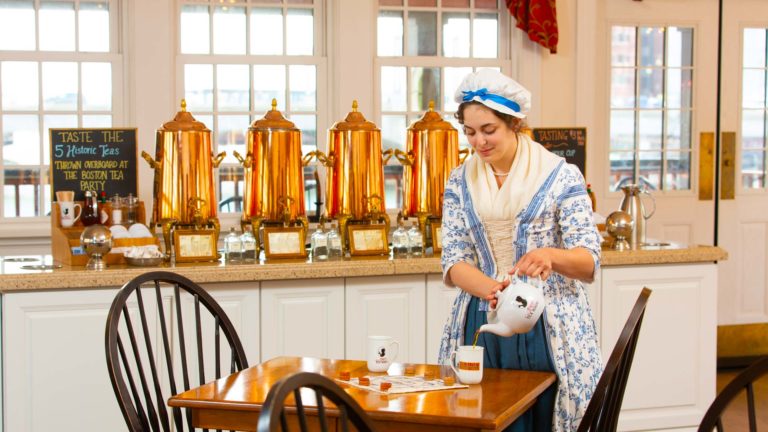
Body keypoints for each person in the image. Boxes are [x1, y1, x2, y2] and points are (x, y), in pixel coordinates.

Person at [438, 69, 603, 432]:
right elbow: (453, 259)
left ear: (514, 124)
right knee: (483, 417)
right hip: (483, 318)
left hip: (549, 323)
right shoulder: (459, 180)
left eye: (488, 130)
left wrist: (551, 256)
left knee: (544, 417)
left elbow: (589, 261)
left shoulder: (560, 175)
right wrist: (493, 292)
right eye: (470, 132)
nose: (478, 141)